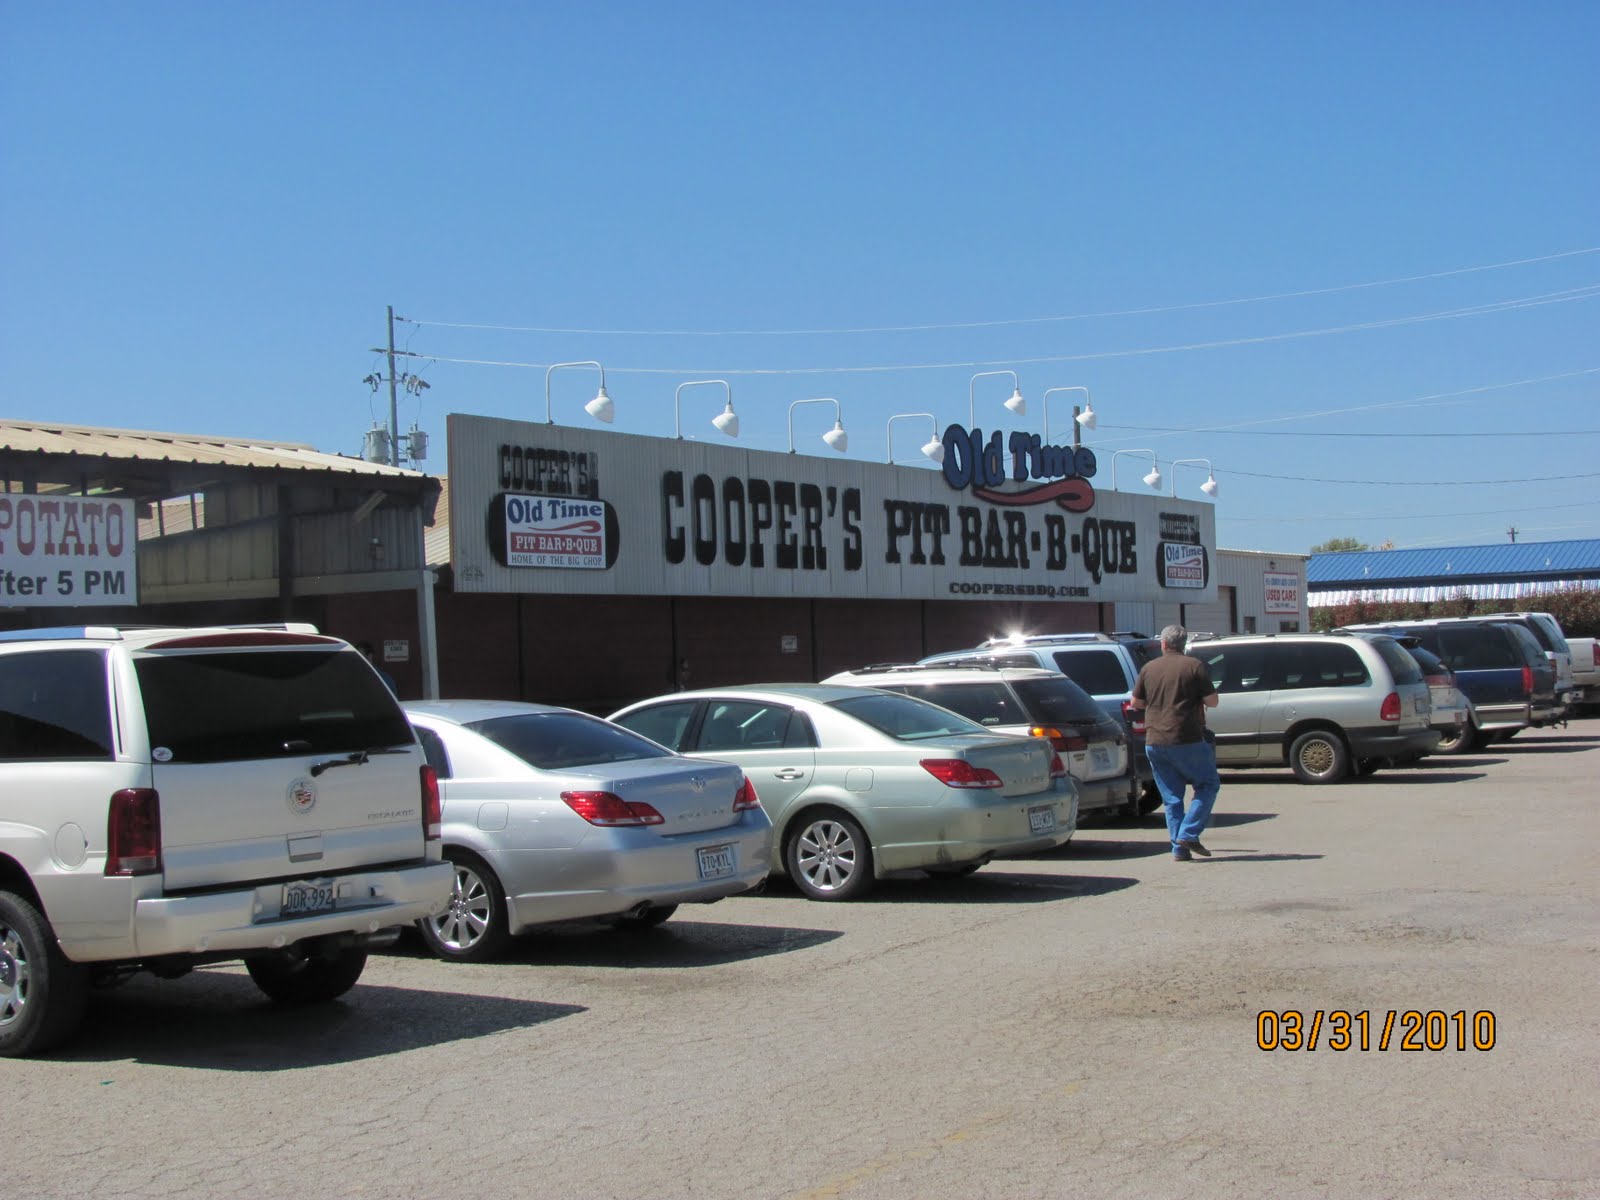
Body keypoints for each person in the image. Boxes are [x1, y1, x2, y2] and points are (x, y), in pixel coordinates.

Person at [1130, 624, 1219, 862]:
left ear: (1163, 644)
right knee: (1208, 784)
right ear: (1184, 644)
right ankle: (1188, 834)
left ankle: (1179, 849)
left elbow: (1136, 703)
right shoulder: (1194, 666)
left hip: (1154, 741)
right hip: (1186, 738)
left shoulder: (1149, 668)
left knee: (1171, 797)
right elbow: (1213, 702)